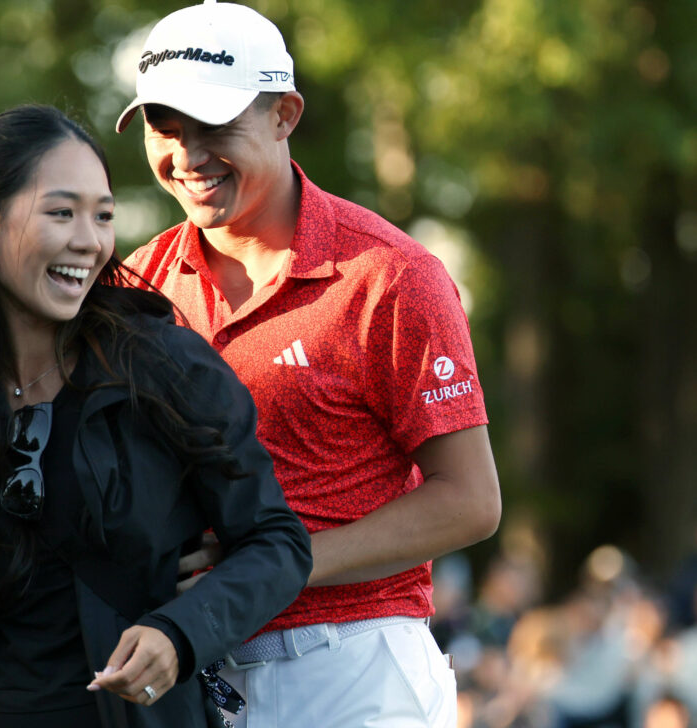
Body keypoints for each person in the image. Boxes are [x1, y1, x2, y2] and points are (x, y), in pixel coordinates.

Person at [0, 104, 312, 728]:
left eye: (102, 216)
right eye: (61, 213)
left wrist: (178, 633)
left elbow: (277, 543)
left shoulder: (164, 366)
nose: (89, 240)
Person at [114, 2, 503, 726]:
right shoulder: (137, 287)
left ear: (284, 114)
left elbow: (471, 501)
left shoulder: (389, 275)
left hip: (355, 664)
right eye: (165, 128)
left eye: (214, 126)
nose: (187, 155)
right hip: (196, 671)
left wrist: (269, 568)